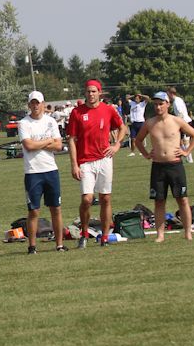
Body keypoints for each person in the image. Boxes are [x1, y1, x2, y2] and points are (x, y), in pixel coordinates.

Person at [66, 80, 128, 248]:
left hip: (104, 159)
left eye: (94, 91)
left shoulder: (108, 110)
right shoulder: (77, 112)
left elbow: (122, 127)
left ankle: (105, 237)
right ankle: (84, 233)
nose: (91, 94)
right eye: (88, 91)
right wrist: (74, 165)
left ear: (100, 92)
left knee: (105, 198)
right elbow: (71, 140)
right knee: (87, 199)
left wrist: (117, 145)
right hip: (85, 161)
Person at [133, 92, 194, 242]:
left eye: (161, 104)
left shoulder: (177, 121)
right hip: (158, 167)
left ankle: (188, 232)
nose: (158, 107)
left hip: (175, 165)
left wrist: (186, 151)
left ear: (168, 104)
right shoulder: (150, 123)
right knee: (159, 201)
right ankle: (160, 235)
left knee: (182, 199)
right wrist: (146, 154)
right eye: (156, 104)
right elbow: (138, 140)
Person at [19, 91, 65, 253]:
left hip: (51, 170)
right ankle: (32, 246)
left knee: (56, 208)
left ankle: (59, 245)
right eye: (32, 103)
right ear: (29, 105)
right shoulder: (24, 123)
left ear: (43, 104)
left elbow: (58, 146)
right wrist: (48, 141)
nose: (35, 106)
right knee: (33, 210)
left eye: (38, 103)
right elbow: (29, 146)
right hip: (33, 172)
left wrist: (39, 143)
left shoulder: (50, 121)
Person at [167, 86, 194, 163]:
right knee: (180, 141)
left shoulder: (176, 102)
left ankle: (189, 159)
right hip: (184, 122)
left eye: (168, 94)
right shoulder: (178, 100)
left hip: (185, 122)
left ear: (171, 93)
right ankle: (186, 157)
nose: (167, 96)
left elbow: (180, 114)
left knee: (185, 141)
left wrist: (178, 124)